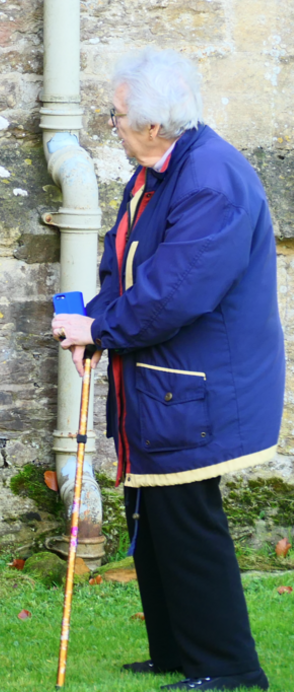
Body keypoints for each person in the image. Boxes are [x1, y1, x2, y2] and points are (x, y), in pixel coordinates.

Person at [53, 48, 281, 692]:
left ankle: (231, 668)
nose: (111, 123)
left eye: (118, 115)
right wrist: (95, 321)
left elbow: (176, 292)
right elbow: (128, 266)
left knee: (187, 522)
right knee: (150, 517)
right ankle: (177, 650)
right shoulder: (157, 167)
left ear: (154, 125)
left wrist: (100, 329)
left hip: (196, 385)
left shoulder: (210, 179)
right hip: (160, 379)